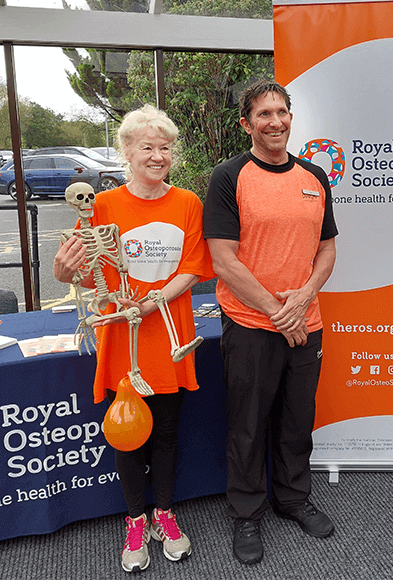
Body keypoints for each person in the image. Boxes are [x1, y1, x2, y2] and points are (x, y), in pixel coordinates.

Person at [53, 104, 214, 573]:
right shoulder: (100, 207)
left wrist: (151, 302)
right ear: (126, 152)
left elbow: (190, 269)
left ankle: (164, 512)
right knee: (126, 435)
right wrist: (66, 273)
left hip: (166, 334)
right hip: (122, 340)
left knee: (165, 432)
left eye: (165, 147)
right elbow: (87, 275)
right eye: (147, 146)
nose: (158, 155)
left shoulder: (188, 203)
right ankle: (135, 520)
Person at [203, 80, 338, 565]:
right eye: (263, 114)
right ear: (246, 124)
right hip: (251, 324)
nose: (275, 121)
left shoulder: (315, 177)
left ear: (291, 117)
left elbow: (327, 250)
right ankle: (246, 512)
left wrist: (303, 298)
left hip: (307, 322)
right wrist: (280, 313)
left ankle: (293, 498)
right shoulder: (228, 176)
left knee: (297, 419)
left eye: (281, 112)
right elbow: (224, 260)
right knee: (247, 423)